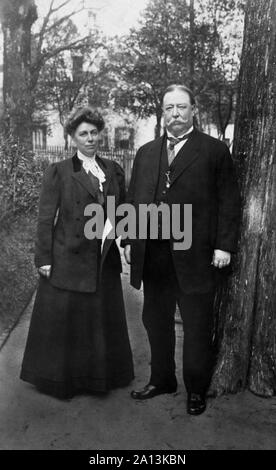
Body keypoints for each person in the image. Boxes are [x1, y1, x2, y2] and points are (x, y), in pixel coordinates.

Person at [123, 84, 240, 415]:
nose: (175, 113)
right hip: (155, 257)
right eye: (169, 108)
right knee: (155, 319)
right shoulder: (146, 153)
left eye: (181, 107)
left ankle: (195, 390)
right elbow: (133, 200)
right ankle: (162, 380)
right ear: (163, 112)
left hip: (197, 257)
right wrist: (131, 240)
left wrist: (224, 246)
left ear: (193, 110)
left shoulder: (215, 151)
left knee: (196, 325)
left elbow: (229, 203)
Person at [20, 107, 134, 399]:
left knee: (99, 319)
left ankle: (98, 378)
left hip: (102, 259)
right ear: (72, 138)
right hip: (67, 257)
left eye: (94, 132)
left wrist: (128, 240)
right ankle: (65, 381)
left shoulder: (112, 170)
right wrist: (43, 258)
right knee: (69, 321)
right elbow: (46, 218)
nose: (90, 138)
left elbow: (123, 213)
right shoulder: (59, 171)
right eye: (83, 133)